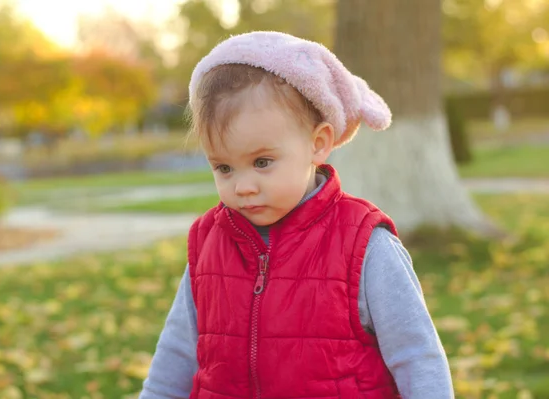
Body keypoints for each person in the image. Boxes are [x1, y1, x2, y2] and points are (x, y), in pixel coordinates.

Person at [139, 31, 454, 399]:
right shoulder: (210, 242)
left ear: (317, 143)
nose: (243, 186)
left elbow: (418, 357)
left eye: (262, 162)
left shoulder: (364, 243)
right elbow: (175, 360)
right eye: (223, 168)